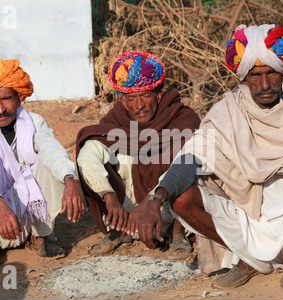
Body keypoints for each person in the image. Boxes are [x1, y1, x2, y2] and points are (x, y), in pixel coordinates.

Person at [138, 25, 283, 291]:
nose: (265, 84)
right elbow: (192, 156)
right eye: (256, 75)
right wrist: (156, 199)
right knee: (181, 197)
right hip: (249, 217)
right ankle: (250, 259)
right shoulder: (228, 112)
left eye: (272, 73)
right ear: (244, 77)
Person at [0, 59, 85, 271]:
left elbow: (51, 149)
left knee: (50, 167)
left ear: (19, 98)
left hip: (28, 206)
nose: (0, 109)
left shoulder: (34, 122)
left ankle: (39, 236)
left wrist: (70, 179)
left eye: (6, 99)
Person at [76, 51, 200, 258]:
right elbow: (90, 154)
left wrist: (148, 203)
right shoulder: (117, 118)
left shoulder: (182, 117)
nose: (139, 105)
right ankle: (120, 226)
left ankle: (177, 232)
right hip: (126, 203)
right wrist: (110, 197)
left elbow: (187, 165)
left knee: (187, 161)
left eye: (145, 95)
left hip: (164, 203)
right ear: (124, 101)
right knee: (91, 147)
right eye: (131, 98)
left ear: (158, 94)